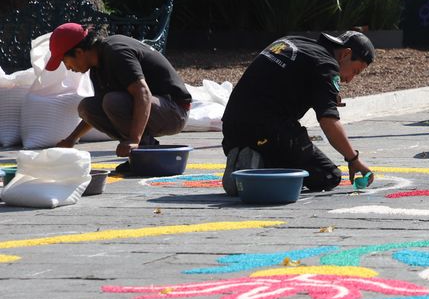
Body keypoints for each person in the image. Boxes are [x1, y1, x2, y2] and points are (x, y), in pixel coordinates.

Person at [220, 31, 375, 195]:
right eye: (355, 71)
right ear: (346, 54)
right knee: (329, 176)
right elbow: (328, 121)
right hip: (267, 131)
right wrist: (353, 159)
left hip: (231, 129)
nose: (350, 79)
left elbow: (275, 82)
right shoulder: (326, 65)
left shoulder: (292, 41)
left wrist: (321, 95)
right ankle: (261, 166)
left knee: (269, 131)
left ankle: (246, 153)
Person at [51, 24, 192, 171]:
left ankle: (144, 152)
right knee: (87, 108)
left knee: (113, 101)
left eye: (64, 61)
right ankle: (142, 154)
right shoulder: (96, 69)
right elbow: (100, 110)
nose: (67, 68)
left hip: (175, 110)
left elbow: (143, 93)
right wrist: (71, 139)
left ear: (79, 52)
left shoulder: (116, 51)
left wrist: (133, 139)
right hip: (155, 108)